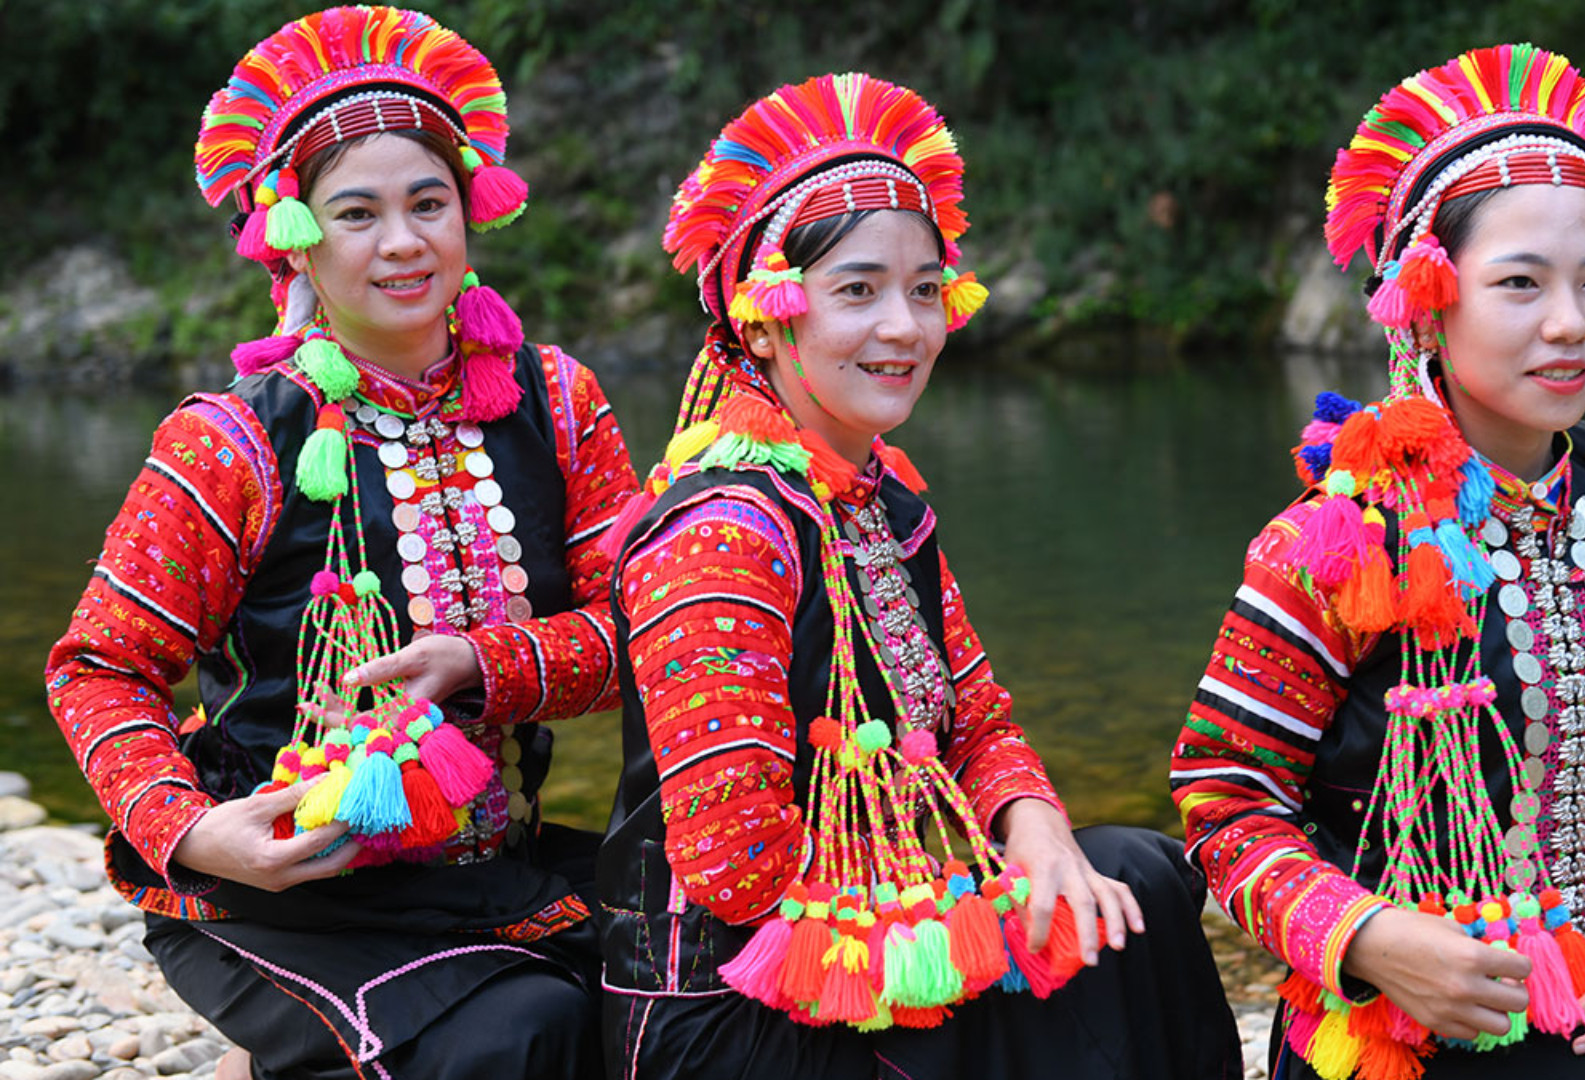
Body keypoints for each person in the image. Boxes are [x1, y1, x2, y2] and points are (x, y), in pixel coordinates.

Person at [1170, 44, 1585, 1080]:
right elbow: (1222, 796)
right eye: (1519, 284)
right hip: (1396, 1042)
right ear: (1429, 299)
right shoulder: (1337, 536)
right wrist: (1372, 940)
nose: (1571, 325)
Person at [597, 72, 1241, 1079]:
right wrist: (966, 901)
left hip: (892, 908)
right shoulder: (720, 532)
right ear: (765, 319)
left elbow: (978, 719)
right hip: (742, 994)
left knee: (1134, 880)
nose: (905, 327)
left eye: (925, 290)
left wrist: (1037, 838)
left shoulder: (881, 493)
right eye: (858, 291)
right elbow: (732, 869)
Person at [44, 7, 638, 1078]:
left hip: (495, 870)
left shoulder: (558, 401)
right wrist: (191, 831)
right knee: (526, 1037)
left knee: (679, 995)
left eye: (429, 203)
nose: (404, 243)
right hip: (288, 888)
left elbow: (638, 635)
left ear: (470, 211)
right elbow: (99, 668)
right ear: (297, 236)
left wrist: (482, 662)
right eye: (357, 213)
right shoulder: (230, 441)